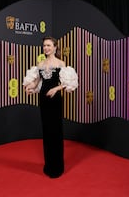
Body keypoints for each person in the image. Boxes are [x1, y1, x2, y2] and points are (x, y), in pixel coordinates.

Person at [23, 36, 78, 178]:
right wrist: (29, 88)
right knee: (47, 132)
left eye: (48, 45)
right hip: (43, 100)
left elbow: (67, 83)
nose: (46, 48)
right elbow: (36, 83)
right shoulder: (40, 64)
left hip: (55, 101)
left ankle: (57, 167)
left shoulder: (61, 63)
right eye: (44, 45)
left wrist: (56, 89)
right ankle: (49, 165)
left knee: (56, 131)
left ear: (55, 47)